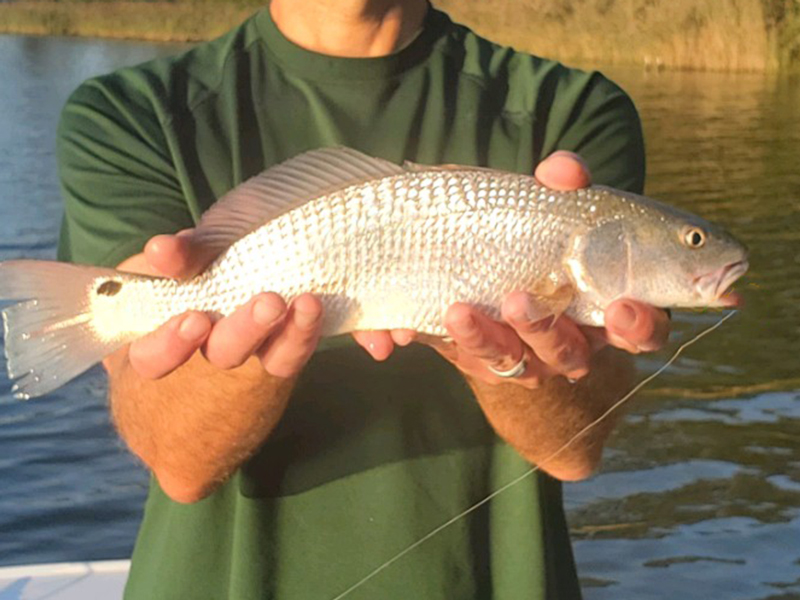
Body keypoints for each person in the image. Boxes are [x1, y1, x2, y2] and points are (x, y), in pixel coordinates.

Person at [56, 0, 670, 597]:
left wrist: (509, 365)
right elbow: (178, 463)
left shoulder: (575, 107)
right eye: (690, 241)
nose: (697, 250)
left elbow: (574, 451)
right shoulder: (126, 113)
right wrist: (245, 345)